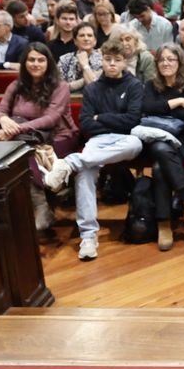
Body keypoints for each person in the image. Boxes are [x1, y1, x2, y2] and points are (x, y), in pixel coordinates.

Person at [43, 38, 145, 261]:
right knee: (86, 172)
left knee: (136, 144)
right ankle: (88, 236)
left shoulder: (135, 85)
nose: (111, 64)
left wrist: (102, 117)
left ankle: (69, 163)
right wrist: (109, 120)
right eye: (107, 60)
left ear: (125, 62)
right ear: (102, 61)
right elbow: (87, 123)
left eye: (117, 60)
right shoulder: (93, 88)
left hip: (125, 140)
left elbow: (132, 120)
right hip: (98, 141)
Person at [0, 43, 80, 230]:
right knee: (14, 153)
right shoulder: (16, 85)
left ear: (49, 63)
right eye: (31, 59)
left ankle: (40, 208)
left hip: (59, 136)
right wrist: (4, 119)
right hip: (26, 137)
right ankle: (21, 209)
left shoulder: (60, 86)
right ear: (24, 63)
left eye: (41, 60)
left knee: (23, 153)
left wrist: (14, 129)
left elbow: (50, 119)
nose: (36, 64)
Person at [140, 43, 184, 252]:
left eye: (170, 59)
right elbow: (146, 107)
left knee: (158, 165)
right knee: (158, 148)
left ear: (179, 61)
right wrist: (178, 102)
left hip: (181, 141)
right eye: (162, 60)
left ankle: (163, 224)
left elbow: (183, 117)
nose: (165, 63)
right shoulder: (151, 85)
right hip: (156, 139)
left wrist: (165, 109)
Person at [58, 24, 103, 93]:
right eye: (82, 35)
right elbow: (59, 88)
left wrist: (85, 65)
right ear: (75, 41)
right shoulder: (64, 59)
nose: (86, 39)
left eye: (89, 35)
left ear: (95, 41)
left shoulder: (104, 59)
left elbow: (95, 87)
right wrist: (88, 78)